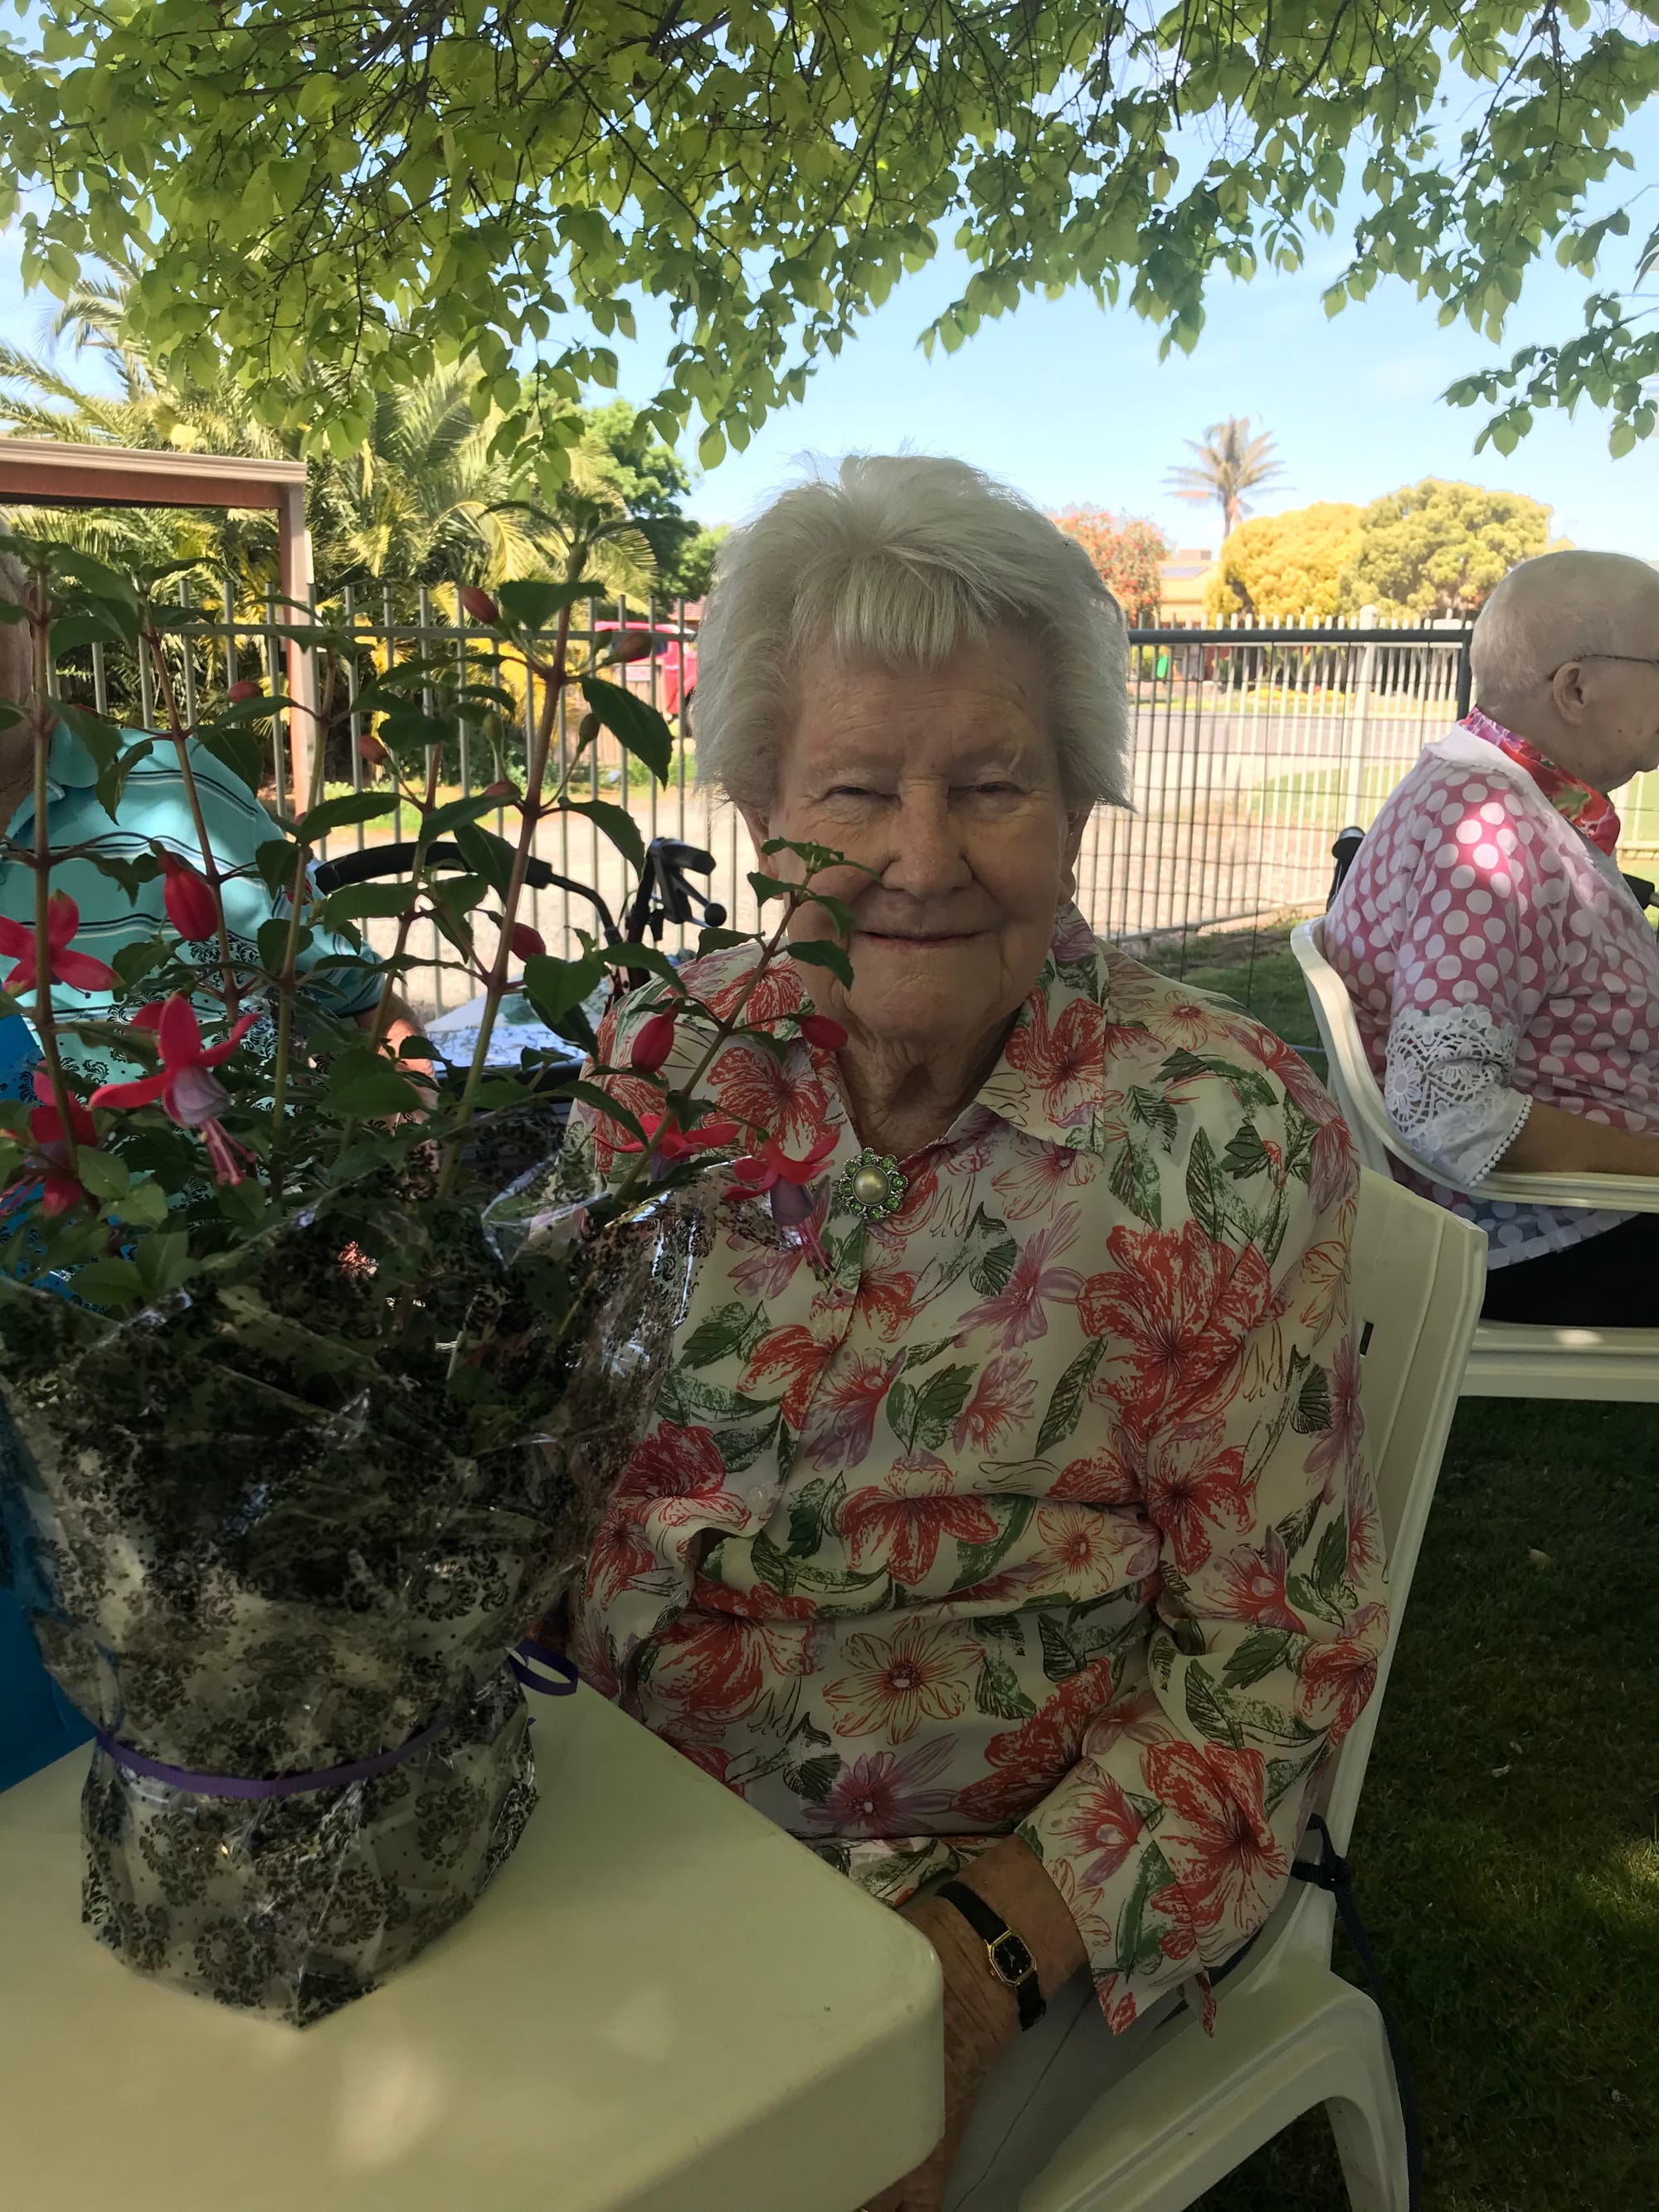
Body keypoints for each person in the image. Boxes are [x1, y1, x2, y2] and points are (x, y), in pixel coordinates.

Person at [561, 457, 1382, 2212]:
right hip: (604, 1809)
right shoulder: (668, 1060)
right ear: (758, 803)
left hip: (966, 1884)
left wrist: (958, 1978)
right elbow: (552, 1449)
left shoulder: (1210, 1135)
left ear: (1080, 799)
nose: (920, 859)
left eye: (992, 784)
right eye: (855, 787)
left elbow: (1271, 1653)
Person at [1324, 547, 1659, 1325]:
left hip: (1547, 1219)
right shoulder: (1491, 832)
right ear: (1575, 688)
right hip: (1542, 1234)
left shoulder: (1481, 785)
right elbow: (1449, 1110)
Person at [0, 546, 424, 1094]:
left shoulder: (182, 789)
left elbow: (359, 994)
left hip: (241, 1172)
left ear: (36, 613)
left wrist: (413, 1134)